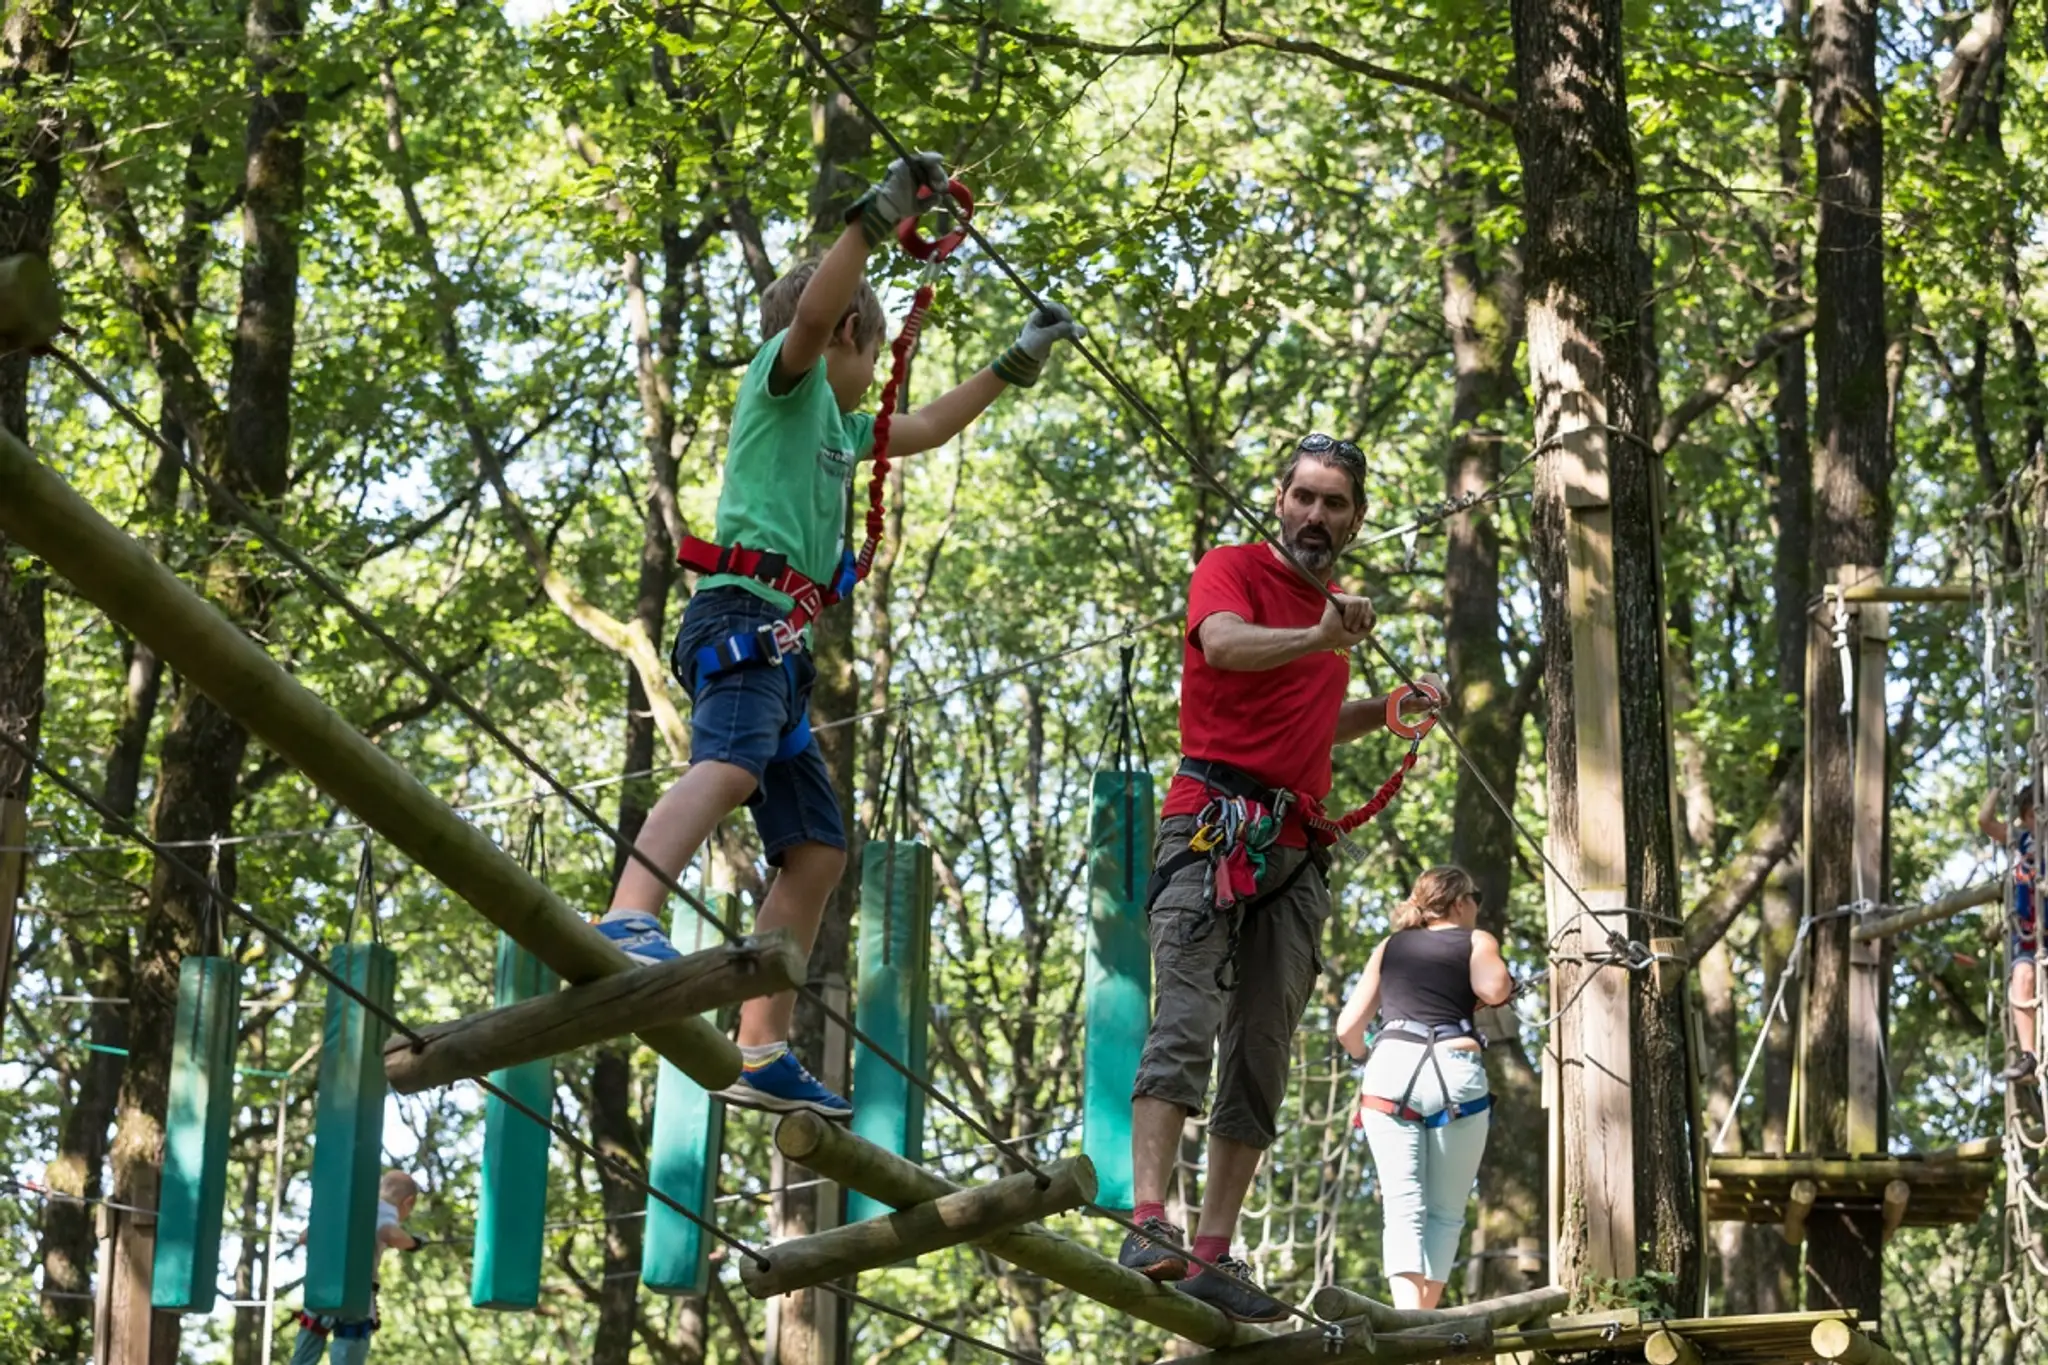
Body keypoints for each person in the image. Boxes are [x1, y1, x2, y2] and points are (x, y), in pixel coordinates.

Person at [594, 151, 1083, 1120]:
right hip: (735, 615)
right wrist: (871, 223)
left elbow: (930, 423)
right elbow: (814, 318)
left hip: (780, 650)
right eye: (869, 345)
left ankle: (762, 1047)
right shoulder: (785, 387)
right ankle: (627, 913)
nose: (867, 372)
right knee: (727, 766)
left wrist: (1015, 360)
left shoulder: (842, 427)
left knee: (817, 849)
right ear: (851, 335)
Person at [1115, 432, 1442, 1323]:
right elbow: (1223, 648)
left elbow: (1310, 720)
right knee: (1183, 1018)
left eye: (1335, 504)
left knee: (1260, 1048)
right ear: (1280, 498)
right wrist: (1318, 631)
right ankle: (1151, 1222)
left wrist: (1388, 709)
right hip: (1210, 822)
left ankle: (1214, 1250)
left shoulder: (1332, 616)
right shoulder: (1231, 569)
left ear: (1356, 519)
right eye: (1305, 497)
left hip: (1296, 846)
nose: (1316, 516)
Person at [1335, 866, 1512, 1311]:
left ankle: (1410, 1322)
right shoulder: (1476, 940)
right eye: (1475, 897)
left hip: (1390, 1070)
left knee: (1402, 1206)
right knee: (1446, 1213)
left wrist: (1363, 1056)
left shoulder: (1390, 946)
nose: (1477, 907)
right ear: (1459, 903)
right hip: (1455, 1073)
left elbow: (1347, 1029)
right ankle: (1420, 1324)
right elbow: (1493, 989)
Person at [290, 1170, 429, 1365]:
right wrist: (414, 1243)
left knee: (304, 1354)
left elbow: (304, 1237)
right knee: (350, 1347)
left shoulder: (345, 1206)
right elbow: (390, 1232)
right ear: (408, 1202)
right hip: (356, 1295)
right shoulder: (384, 1211)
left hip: (321, 1290)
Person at [1981, 779, 2040, 1082]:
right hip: (2028, 932)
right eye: (2032, 815)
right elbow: (1985, 821)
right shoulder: (2020, 840)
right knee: (2022, 977)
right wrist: (1999, 789)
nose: (2039, 821)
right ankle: (2028, 1055)